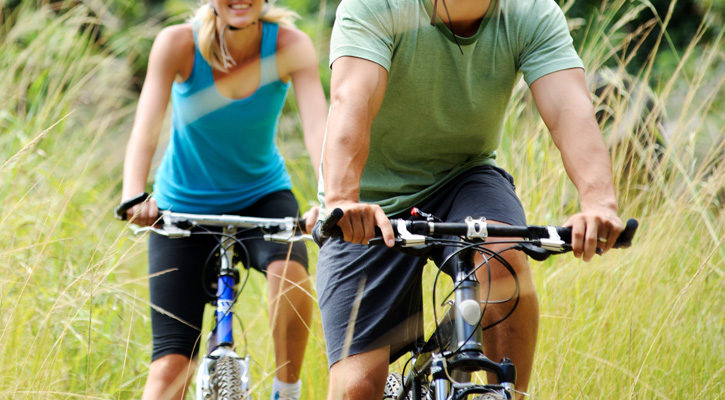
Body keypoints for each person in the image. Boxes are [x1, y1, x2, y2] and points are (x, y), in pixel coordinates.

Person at [315, 0, 625, 399]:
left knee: (502, 252)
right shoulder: (376, 6)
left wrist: (599, 203)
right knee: (356, 388)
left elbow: (570, 108)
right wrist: (343, 198)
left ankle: (507, 395)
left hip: (465, 174)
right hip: (369, 202)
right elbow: (352, 98)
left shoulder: (530, 12)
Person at [119, 0, 327, 398]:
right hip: (181, 206)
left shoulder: (290, 46)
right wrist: (134, 195)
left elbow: (318, 127)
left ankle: (287, 390)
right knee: (170, 369)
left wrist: (331, 198)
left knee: (291, 276)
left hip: (261, 197)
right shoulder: (177, 43)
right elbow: (146, 126)